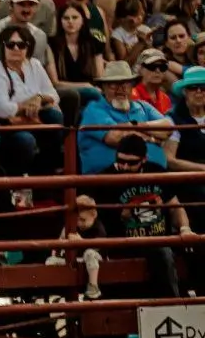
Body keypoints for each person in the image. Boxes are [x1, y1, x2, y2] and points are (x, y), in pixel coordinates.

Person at [92, 133, 191, 299]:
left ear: (143, 160)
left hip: (161, 239)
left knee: (194, 245)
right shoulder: (106, 178)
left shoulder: (156, 172)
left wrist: (185, 229)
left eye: (131, 163)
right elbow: (101, 221)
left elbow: (175, 207)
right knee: (163, 252)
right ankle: (172, 304)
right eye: (120, 161)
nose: (124, 167)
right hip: (127, 244)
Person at [0, 22, 62, 176]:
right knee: (25, 139)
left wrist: (39, 98)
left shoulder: (34, 64)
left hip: (29, 121)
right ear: (2, 47)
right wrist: (27, 105)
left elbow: (54, 96)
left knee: (55, 116)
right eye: (10, 45)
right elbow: (2, 110)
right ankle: (18, 182)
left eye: (21, 45)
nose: (16, 49)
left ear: (28, 47)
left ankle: (46, 176)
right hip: (0, 130)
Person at [77, 61, 173, 175]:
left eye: (125, 84)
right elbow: (115, 137)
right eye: (114, 84)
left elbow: (168, 127)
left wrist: (135, 125)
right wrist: (152, 138)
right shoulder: (94, 109)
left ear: (132, 86)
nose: (120, 89)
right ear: (104, 87)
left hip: (153, 179)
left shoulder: (144, 106)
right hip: (109, 181)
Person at [45, 195, 105, 300]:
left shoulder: (98, 228)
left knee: (89, 253)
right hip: (75, 260)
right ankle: (55, 291)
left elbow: (98, 246)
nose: (79, 223)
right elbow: (56, 249)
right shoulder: (71, 226)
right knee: (50, 261)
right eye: (76, 219)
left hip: (95, 261)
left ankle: (93, 287)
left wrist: (81, 242)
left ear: (94, 215)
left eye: (83, 219)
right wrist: (60, 243)